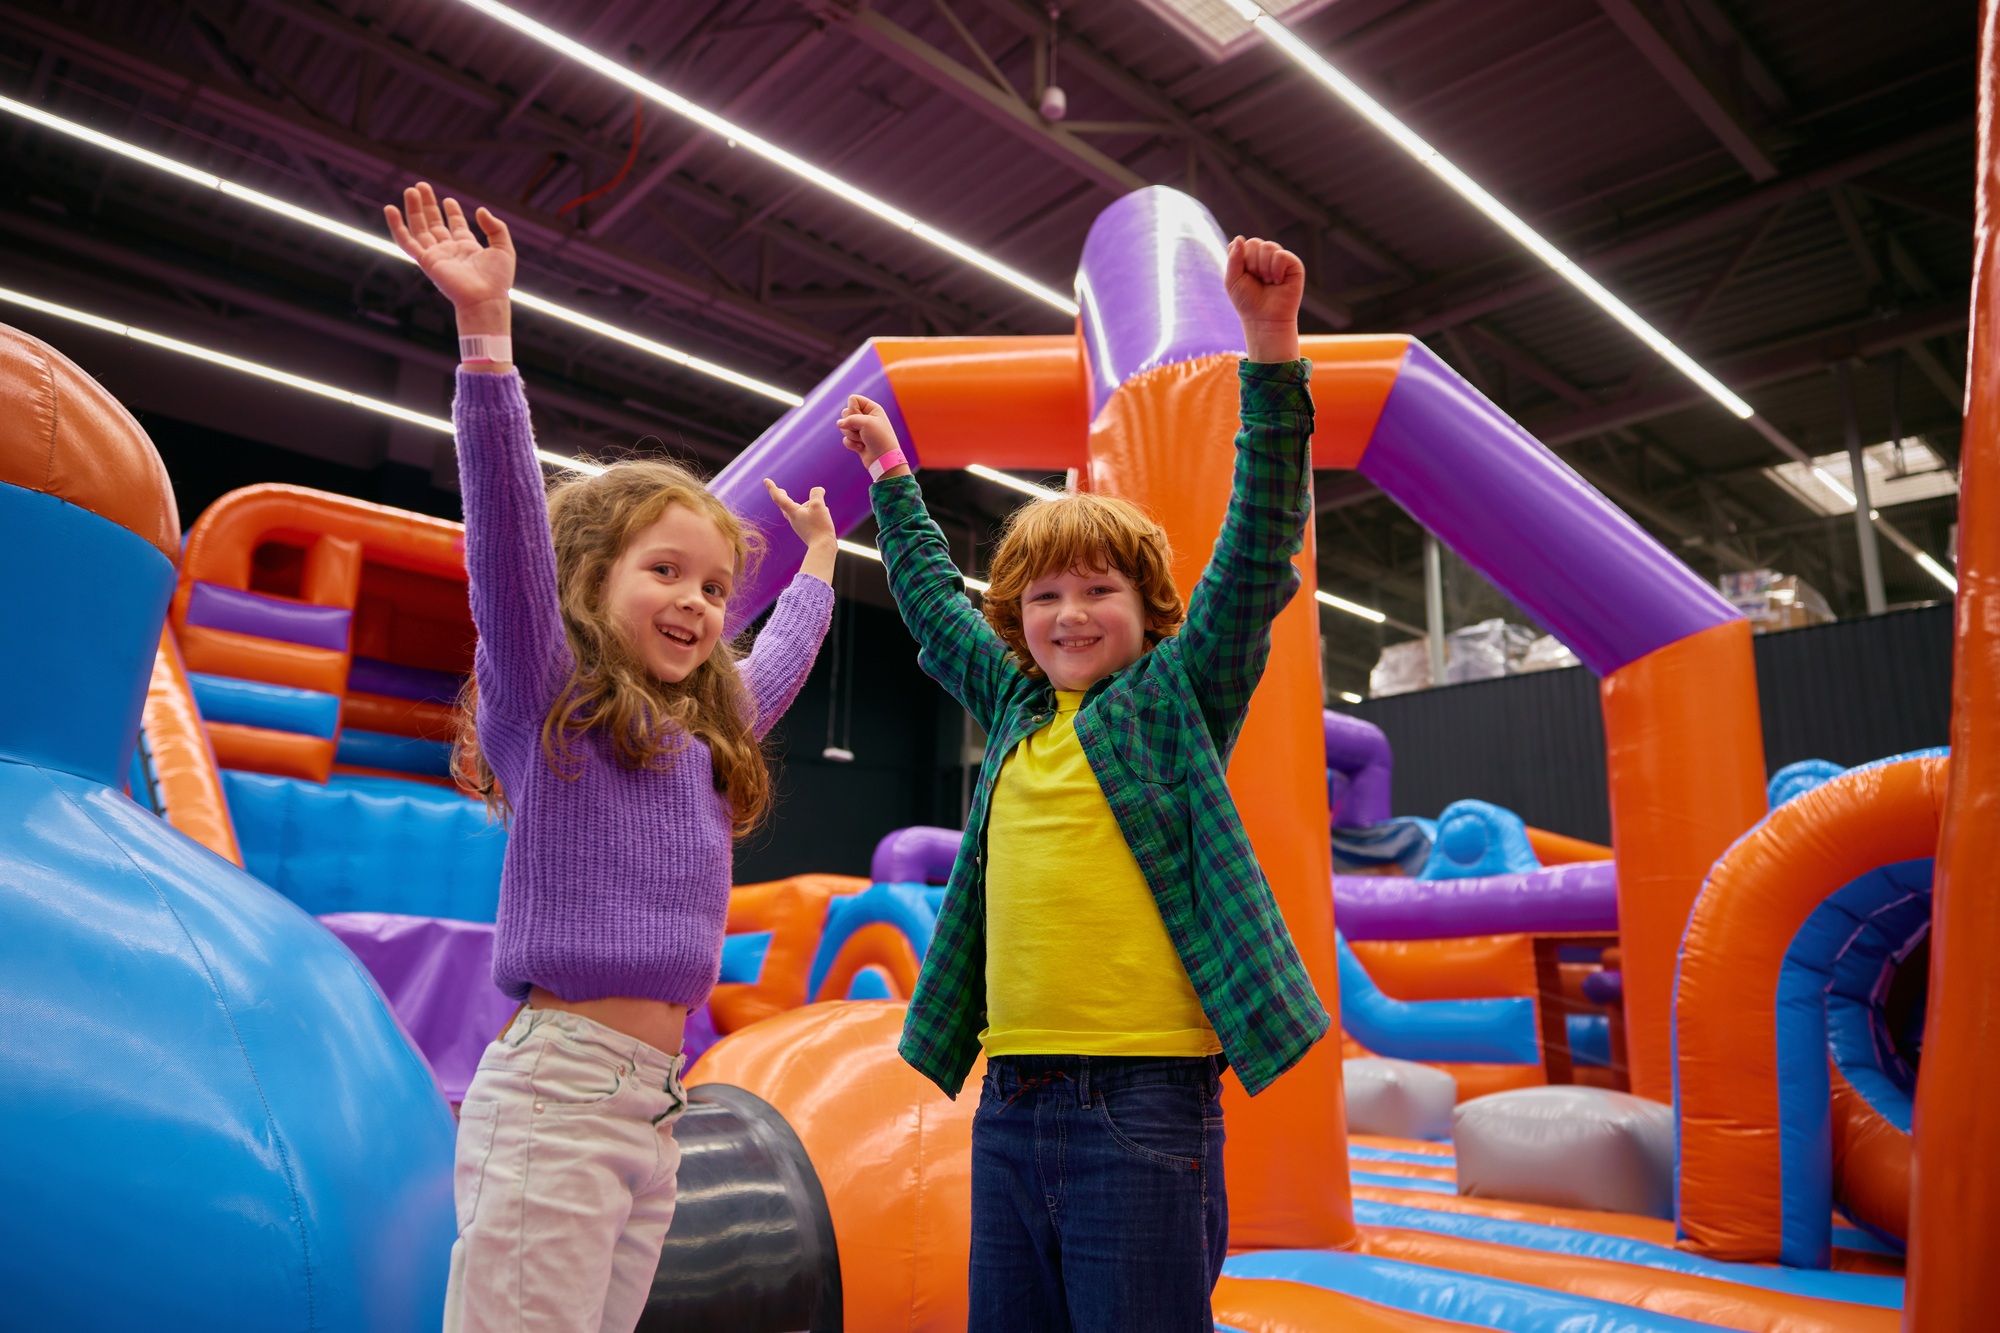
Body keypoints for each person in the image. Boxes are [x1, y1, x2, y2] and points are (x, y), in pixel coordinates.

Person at [839, 235, 1330, 1331]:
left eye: (1097, 589)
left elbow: (1255, 550)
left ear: (1146, 608)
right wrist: (891, 482)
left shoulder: (1173, 700)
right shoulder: (1015, 713)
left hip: (1142, 1100)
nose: (1067, 613)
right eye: (1043, 595)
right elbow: (929, 605)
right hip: (1009, 1096)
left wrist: (1269, 349)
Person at [383, 182, 836, 1333]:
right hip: (559, 1091)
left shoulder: (695, 738)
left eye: (716, 586)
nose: (698, 602)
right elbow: (503, 542)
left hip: (656, 1104)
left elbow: (771, 665)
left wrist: (821, 568)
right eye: (666, 571)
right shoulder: (552, 705)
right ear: (591, 580)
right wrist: (487, 342)